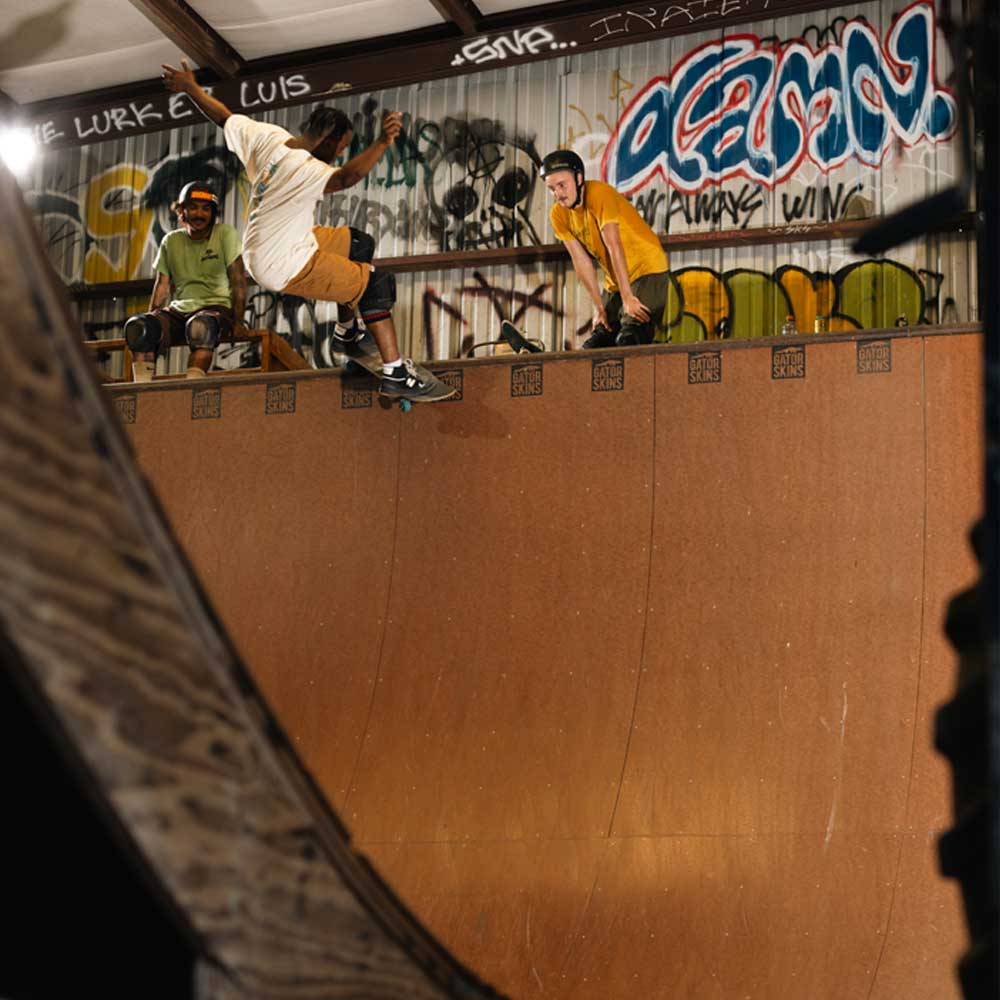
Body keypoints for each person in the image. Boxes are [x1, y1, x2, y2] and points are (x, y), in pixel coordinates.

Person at [160, 59, 453, 402]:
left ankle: (347, 333)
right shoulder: (303, 168)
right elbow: (346, 178)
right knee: (375, 283)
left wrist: (191, 88)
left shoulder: (269, 139)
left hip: (278, 242)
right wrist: (384, 142)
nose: (340, 155)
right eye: (341, 148)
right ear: (327, 139)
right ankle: (396, 373)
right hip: (283, 263)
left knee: (358, 243)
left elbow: (223, 116)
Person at [541, 149, 670, 348]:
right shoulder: (558, 215)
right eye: (551, 189)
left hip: (647, 269)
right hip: (615, 280)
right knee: (596, 343)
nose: (558, 194)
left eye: (562, 185)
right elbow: (581, 261)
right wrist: (599, 307)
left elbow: (614, 246)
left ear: (579, 178)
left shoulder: (600, 194)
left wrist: (628, 297)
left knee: (629, 339)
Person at [124, 181, 247, 381]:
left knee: (200, 327)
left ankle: (192, 389)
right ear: (182, 211)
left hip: (215, 307)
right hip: (179, 311)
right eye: (193, 207)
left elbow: (238, 281)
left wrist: (239, 321)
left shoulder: (225, 234)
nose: (199, 214)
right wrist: (151, 319)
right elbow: (162, 286)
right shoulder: (171, 241)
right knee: (139, 328)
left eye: (206, 209)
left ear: (213, 212)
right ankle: (142, 391)